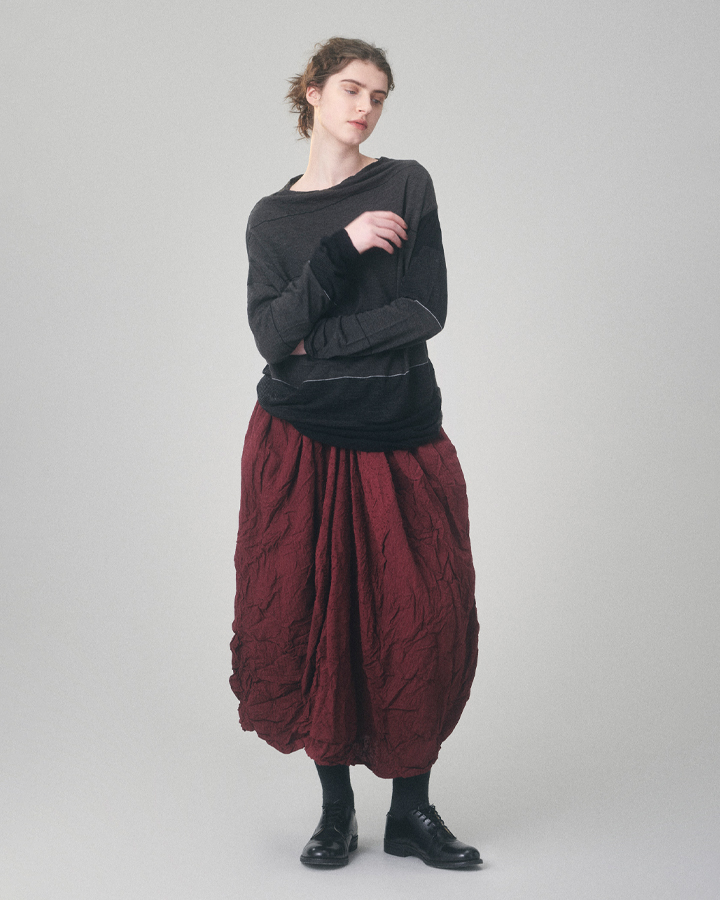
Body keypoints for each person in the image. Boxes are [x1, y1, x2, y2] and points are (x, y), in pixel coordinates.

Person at [230, 37, 481, 869]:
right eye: (350, 88)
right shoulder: (272, 219)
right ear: (312, 91)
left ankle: (412, 812)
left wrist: (317, 342)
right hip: (299, 440)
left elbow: (425, 310)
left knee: (420, 622)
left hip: (399, 432)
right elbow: (271, 335)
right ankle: (335, 813)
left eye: (378, 94)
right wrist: (339, 249)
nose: (366, 106)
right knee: (313, 623)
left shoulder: (405, 183)